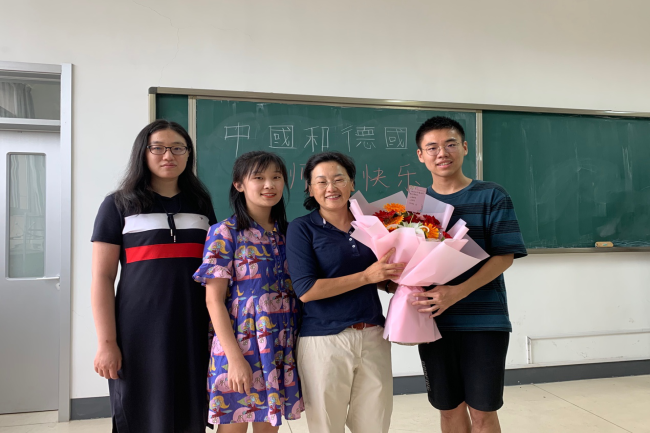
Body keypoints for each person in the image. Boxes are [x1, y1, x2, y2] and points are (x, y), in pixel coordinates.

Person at [90, 120, 217, 432]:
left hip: (193, 325)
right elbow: (102, 277)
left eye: (178, 148)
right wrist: (107, 343)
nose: (168, 155)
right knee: (140, 411)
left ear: (188, 154)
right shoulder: (118, 204)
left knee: (190, 411)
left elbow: (215, 271)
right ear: (142, 153)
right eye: (158, 148)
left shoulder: (201, 205)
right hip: (137, 330)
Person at [412, 116, 527, 433]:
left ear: (464, 147)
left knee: (482, 412)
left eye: (450, 144)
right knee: (448, 410)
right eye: (432, 147)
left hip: (484, 321)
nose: (442, 153)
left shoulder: (492, 195)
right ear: (421, 155)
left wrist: (456, 292)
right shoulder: (415, 202)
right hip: (434, 322)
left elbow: (504, 256)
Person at [285, 151, 405, 433]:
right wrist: (367, 276)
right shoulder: (302, 228)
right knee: (327, 427)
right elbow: (306, 289)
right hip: (324, 340)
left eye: (339, 179)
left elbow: (378, 275)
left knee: (375, 425)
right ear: (310, 189)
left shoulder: (372, 224)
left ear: (352, 183)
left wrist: (396, 284)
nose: (331, 188)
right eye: (321, 181)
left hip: (373, 335)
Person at [192, 151, 303, 432]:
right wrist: (234, 359)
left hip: (280, 346)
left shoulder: (290, 234)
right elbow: (213, 301)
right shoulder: (225, 233)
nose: (269, 185)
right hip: (240, 347)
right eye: (259, 178)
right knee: (234, 426)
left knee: (269, 427)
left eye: (276, 177)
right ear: (239, 184)